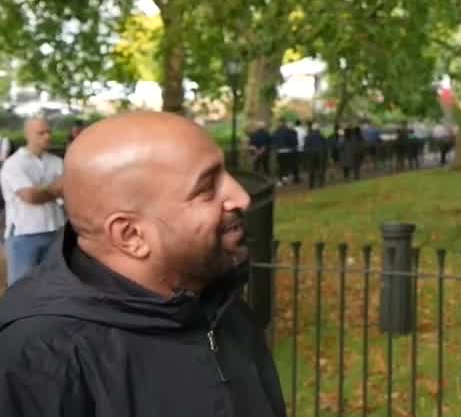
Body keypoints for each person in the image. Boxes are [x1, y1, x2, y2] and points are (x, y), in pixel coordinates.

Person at [0, 111, 286, 416]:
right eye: (205, 188)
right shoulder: (36, 362)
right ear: (131, 235)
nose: (241, 197)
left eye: (227, 174)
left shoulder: (219, 303)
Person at [0, 118, 65, 285]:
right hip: (24, 234)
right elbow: (30, 197)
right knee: (22, 288)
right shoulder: (14, 164)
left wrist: (46, 191)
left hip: (55, 230)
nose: (47, 136)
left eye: (48, 131)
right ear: (27, 135)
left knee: (52, 285)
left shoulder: (56, 162)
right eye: (41, 133)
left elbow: (71, 190)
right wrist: (57, 189)